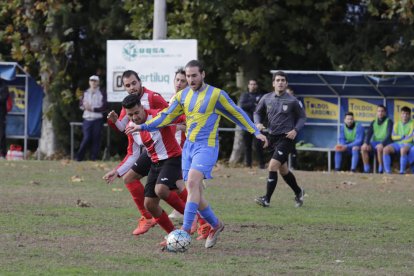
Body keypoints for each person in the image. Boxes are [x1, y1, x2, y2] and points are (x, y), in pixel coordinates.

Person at [125, 60, 268, 249]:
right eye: (188, 76)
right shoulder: (182, 96)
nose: (190, 79)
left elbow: (236, 113)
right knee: (196, 194)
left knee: (191, 183)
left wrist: (255, 131)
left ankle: (184, 230)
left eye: (194, 75)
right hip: (189, 148)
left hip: (207, 147)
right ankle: (216, 225)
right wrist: (141, 126)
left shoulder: (216, 95)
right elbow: (165, 116)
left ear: (203, 74)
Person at [104, 70, 169, 235]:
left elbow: (172, 117)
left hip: (169, 149)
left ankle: (201, 220)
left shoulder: (153, 97)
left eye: (134, 83)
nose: (132, 87)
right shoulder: (128, 105)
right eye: (127, 85)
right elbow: (123, 127)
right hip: (150, 150)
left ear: (140, 82)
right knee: (129, 178)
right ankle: (148, 217)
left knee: (171, 189)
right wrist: (114, 122)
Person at [121, 94, 187, 247]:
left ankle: (192, 218)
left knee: (161, 190)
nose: (134, 117)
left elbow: (180, 117)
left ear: (142, 108)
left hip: (173, 158)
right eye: (130, 115)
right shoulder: (131, 127)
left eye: (137, 113)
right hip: (155, 162)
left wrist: (188, 124)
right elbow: (133, 152)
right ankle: (173, 236)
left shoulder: (158, 115)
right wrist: (117, 171)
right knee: (150, 204)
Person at [254, 71, 306, 208]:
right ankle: (299, 192)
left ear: (286, 83)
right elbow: (257, 113)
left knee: (272, 166)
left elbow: (302, 117)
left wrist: (295, 130)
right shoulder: (266, 98)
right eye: (278, 80)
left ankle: (266, 199)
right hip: (272, 138)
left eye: (283, 80)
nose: (280, 82)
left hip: (286, 138)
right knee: (283, 170)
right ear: (273, 83)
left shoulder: (292, 100)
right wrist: (258, 123)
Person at [76, 75, 107, 161]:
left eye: (95, 81)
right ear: (89, 82)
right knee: (86, 138)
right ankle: (79, 157)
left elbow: (104, 107)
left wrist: (92, 109)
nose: (93, 82)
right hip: (87, 119)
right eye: (91, 81)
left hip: (98, 119)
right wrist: (84, 107)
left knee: (96, 139)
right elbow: (81, 105)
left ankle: (93, 158)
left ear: (98, 82)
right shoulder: (85, 92)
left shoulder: (102, 92)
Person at [239, 79, 266, 169]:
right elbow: (242, 105)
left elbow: (262, 107)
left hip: (257, 125)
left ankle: (262, 164)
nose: (253, 86)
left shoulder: (261, 95)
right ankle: (248, 164)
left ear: (257, 86)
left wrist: (253, 104)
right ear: (248, 85)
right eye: (251, 84)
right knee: (247, 145)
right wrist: (255, 103)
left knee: (259, 145)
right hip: (247, 124)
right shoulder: (244, 95)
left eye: (254, 84)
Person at [360, 105, 393, 173]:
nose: (380, 113)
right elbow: (368, 134)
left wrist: (382, 143)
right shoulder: (374, 122)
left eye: (382, 111)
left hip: (386, 142)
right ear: (377, 112)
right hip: (375, 142)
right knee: (363, 148)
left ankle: (380, 167)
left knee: (379, 148)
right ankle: (366, 168)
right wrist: (366, 143)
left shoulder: (389, 121)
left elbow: (389, 135)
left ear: (385, 112)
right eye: (378, 111)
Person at [383, 106, 413, 174]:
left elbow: (411, 137)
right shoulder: (396, 123)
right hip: (397, 144)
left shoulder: (413, 123)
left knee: (403, 149)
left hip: (408, 143)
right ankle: (388, 172)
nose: (405, 115)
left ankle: (402, 171)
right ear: (401, 115)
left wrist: (401, 139)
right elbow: (393, 136)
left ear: (409, 115)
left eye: (407, 114)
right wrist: (402, 137)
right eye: (403, 113)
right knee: (385, 149)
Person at [0, 79, 10, 159]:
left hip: (1, 114)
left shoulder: (3, 86)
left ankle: (2, 153)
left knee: (1, 133)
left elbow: (3, 98)